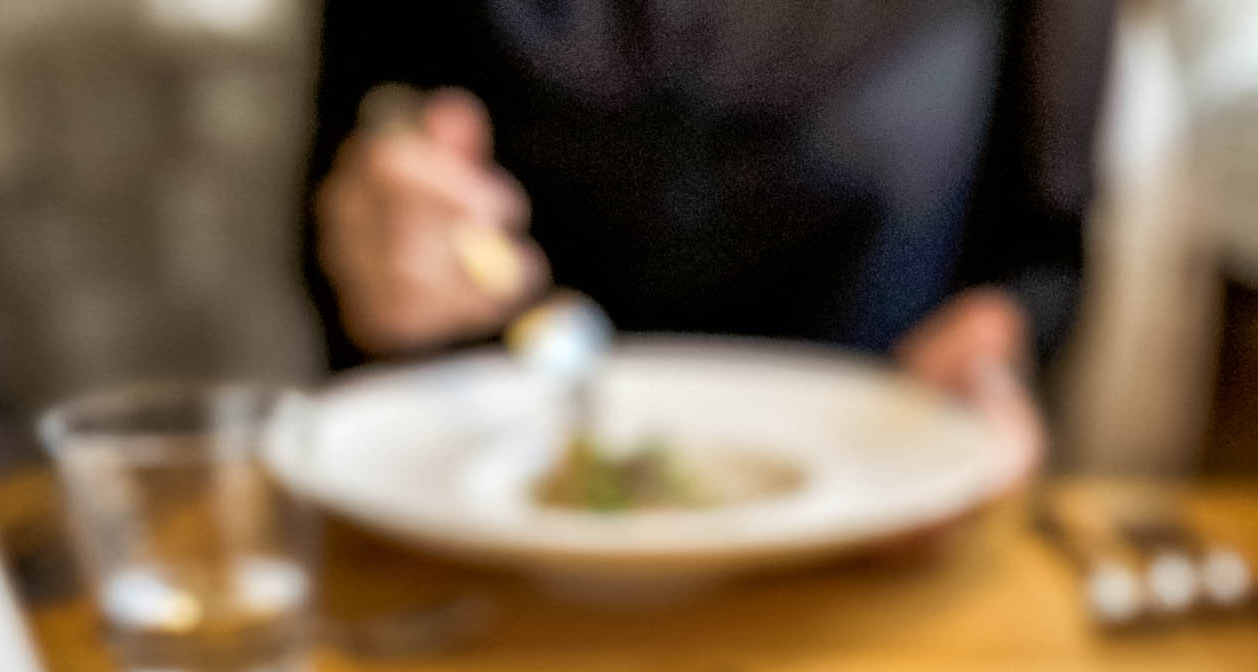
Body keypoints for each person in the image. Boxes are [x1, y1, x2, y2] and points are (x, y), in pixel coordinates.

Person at [308, 0, 1117, 467]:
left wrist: (995, 346)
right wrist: (380, 245)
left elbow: (1046, 255)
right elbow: (343, 189)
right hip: (482, 523)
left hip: (872, 532)